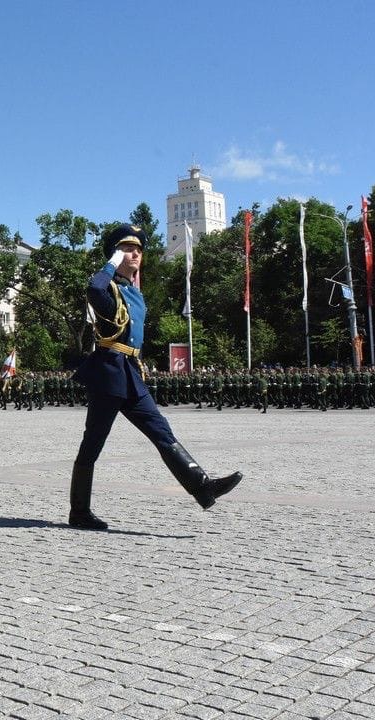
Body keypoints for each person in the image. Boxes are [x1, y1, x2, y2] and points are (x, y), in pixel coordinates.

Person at [68, 224, 244, 531]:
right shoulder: (107, 288)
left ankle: (201, 486)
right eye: (126, 249)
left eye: (138, 250)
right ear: (114, 254)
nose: (135, 253)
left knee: (161, 430)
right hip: (109, 373)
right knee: (92, 444)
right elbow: (94, 290)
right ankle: (79, 512)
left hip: (131, 373)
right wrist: (110, 262)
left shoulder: (134, 293)